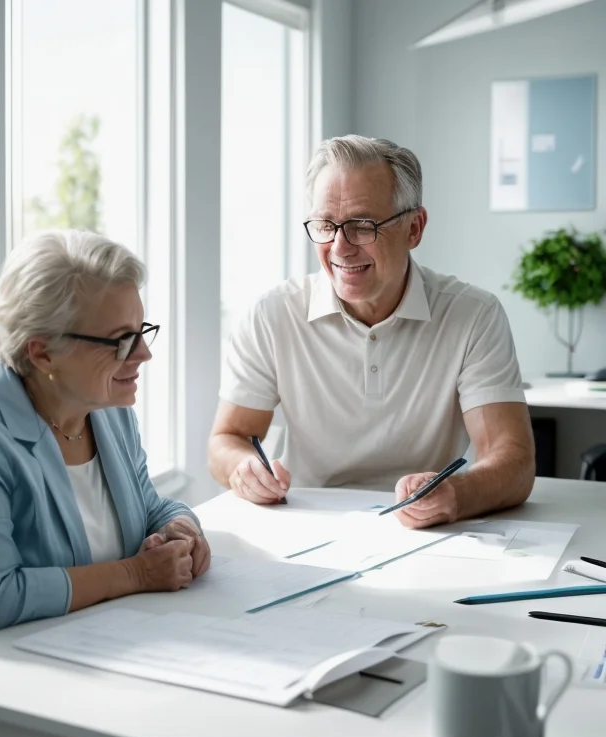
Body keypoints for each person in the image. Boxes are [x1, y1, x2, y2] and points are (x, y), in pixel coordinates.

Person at [0, 229, 210, 737]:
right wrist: (135, 574)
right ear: (42, 352)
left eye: (143, 330)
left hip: (98, 673)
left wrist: (182, 528)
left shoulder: (106, 407)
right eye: (121, 339)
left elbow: (150, 505)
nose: (145, 353)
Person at [208, 134, 535, 530]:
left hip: (433, 533)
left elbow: (513, 459)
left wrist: (455, 495)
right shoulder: (272, 314)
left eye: (362, 226)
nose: (340, 248)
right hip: (306, 528)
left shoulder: (473, 316)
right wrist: (243, 469)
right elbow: (227, 439)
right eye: (326, 225)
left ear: (414, 228)